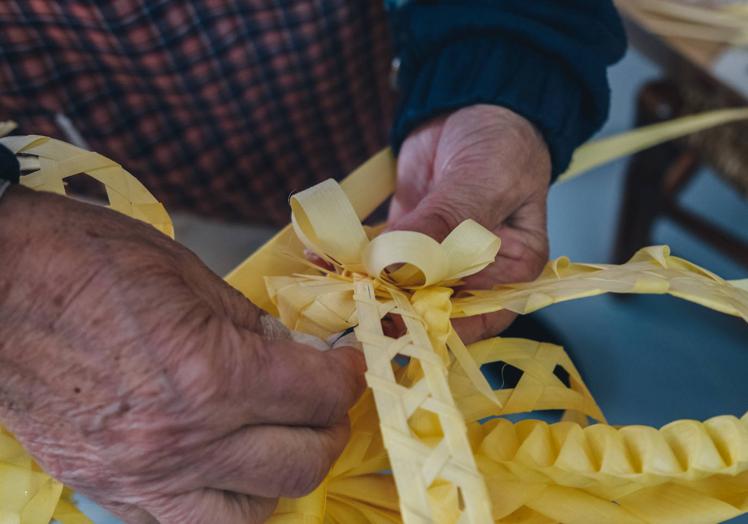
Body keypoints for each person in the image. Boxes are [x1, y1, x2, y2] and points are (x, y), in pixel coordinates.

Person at [0, 1, 625, 522]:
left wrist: (499, 68)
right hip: (142, 209)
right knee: (250, 398)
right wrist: (18, 287)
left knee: (464, 313)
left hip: (371, 134)